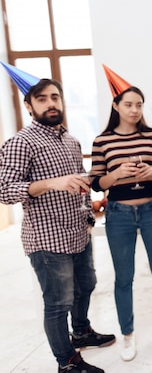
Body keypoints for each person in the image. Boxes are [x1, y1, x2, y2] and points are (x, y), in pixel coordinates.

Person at [0, 72, 115, 373]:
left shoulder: (72, 141)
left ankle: (81, 331)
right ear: (29, 105)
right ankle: (66, 362)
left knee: (86, 286)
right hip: (47, 240)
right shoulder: (20, 143)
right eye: (42, 99)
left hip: (79, 232)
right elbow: (5, 191)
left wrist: (91, 213)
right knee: (58, 302)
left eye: (55, 97)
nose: (50, 103)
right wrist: (51, 183)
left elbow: (77, 186)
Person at [90, 67, 152, 362]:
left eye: (139, 104)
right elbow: (96, 182)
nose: (135, 109)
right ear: (116, 106)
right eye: (128, 104)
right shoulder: (102, 141)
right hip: (119, 213)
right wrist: (116, 175)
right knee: (123, 277)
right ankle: (128, 334)